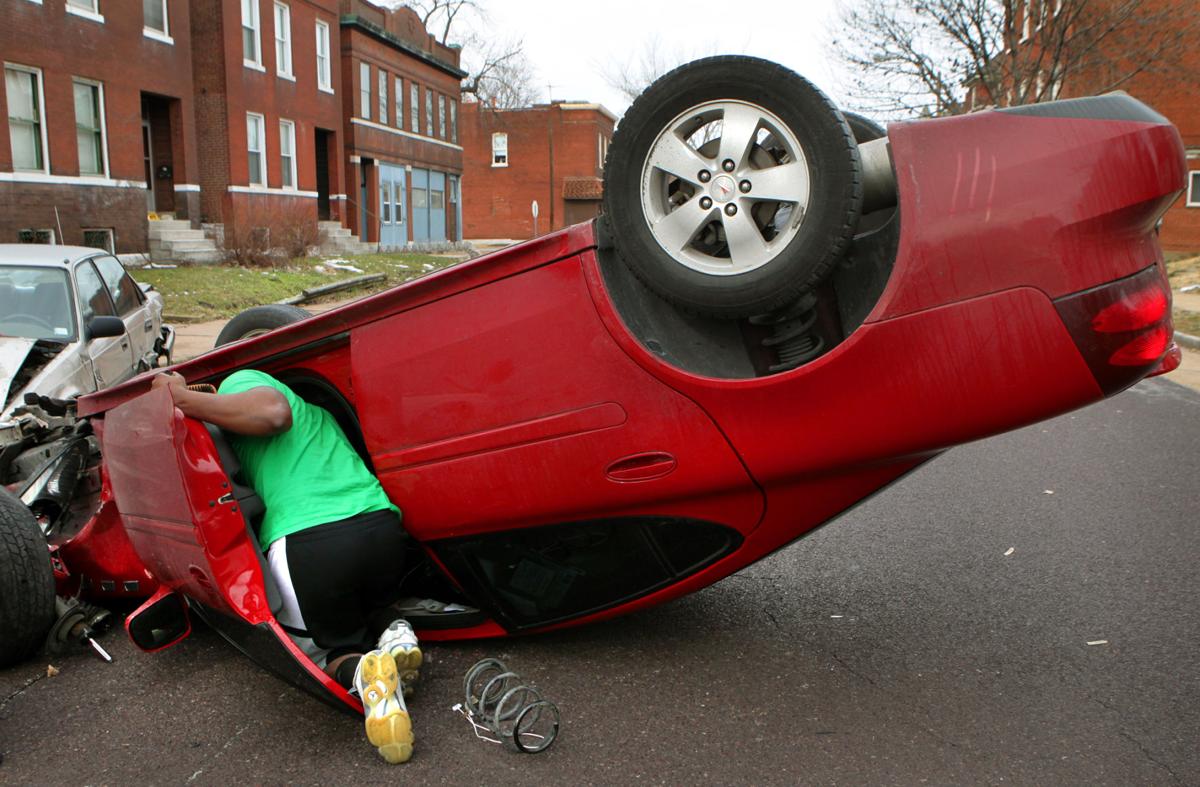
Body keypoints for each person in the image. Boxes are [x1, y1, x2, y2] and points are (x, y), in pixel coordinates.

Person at [151, 369, 420, 764]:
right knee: (368, 608)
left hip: (312, 539)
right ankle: (397, 635)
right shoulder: (320, 415)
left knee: (321, 651)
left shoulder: (242, 381)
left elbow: (273, 414)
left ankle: (366, 680)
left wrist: (176, 396)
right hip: (381, 527)